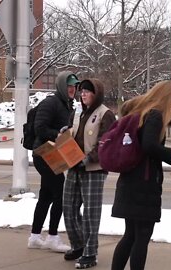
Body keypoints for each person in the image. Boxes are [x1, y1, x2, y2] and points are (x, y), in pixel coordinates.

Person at [110, 81, 171, 270]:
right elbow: (149, 146)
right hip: (143, 184)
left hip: (130, 180)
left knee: (130, 235)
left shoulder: (139, 113)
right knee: (141, 237)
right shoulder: (155, 115)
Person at [62, 79, 116, 269]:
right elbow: (75, 134)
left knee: (91, 214)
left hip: (93, 170)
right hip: (74, 167)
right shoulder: (78, 112)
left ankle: (90, 253)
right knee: (68, 208)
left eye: (87, 91)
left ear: (97, 93)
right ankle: (78, 245)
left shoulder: (105, 114)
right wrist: (65, 133)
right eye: (81, 91)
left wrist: (89, 158)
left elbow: (106, 142)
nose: (82, 94)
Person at [27, 71, 80, 252]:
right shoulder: (51, 103)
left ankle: (34, 237)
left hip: (54, 154)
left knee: (46, 195)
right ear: (61, 86)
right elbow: (40, 127)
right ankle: (52, 237)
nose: (72, 89)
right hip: (44, 154)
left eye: (74, 86)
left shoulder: (66, 104)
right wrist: (58, 134)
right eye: (69, 86)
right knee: (61, 194)